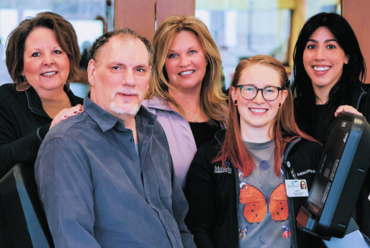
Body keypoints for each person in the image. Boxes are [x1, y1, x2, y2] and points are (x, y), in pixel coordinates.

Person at [35, 28, 196, 248]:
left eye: (139, 69)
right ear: (92, 72)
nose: (129, 80)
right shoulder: (66, 143)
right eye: (117, 68)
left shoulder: (153, 130)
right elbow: (75, 241)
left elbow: (179, 224)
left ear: (149, 78)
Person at [184, 55, 324, 248]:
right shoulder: (210, 157)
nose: (259, 99)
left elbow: (325, 225)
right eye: (249, 89)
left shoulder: (310, 153)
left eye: (269, 90)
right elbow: (197, 228)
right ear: (233, 94)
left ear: (283, 97)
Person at [0, 12, 83, 248]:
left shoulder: (87, 109)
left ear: (70, 58)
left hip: (82, 229)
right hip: (26, 232)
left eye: (57, 51)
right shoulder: (6, 101)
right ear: (21, 66)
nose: (49, 61)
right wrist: (48, 132)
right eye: (36, 54)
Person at [293, 12, 370, 238]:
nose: (319, 56)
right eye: (311, 46)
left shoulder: (365, 102)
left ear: (347, 56)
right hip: (300, 234)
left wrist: (363, 132)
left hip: (356, 234)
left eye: (331, 46)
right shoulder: (289, 112)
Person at [143, 15, 228, 188]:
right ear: (162, 64)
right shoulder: (144, 115)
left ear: (207, 57)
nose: (184, 62)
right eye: (173, 55)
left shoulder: (226, 115)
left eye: (192, 52)